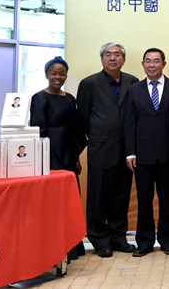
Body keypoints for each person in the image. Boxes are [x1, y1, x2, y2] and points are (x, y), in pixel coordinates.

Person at [77, 42, 139, 258]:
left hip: (126, 151)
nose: (112, 58)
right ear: (102, 59)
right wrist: (98, 136)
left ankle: (118, 238)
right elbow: (83, 118)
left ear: (124, 59)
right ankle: (99, 239)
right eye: (108, 55)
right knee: (98, 197)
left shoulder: (133, 82)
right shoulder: (89, 83)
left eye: (117, 54)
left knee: (121, 197)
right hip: (100, 149)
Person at [30, 55, 88, 261]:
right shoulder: (39, 98)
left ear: (66, 76)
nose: (57, 77)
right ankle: (53, 246)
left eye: (62, 74)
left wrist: (76, 158)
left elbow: (76, 130)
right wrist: (42, 157)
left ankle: (72, 245)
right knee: (52, 200)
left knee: (70, 199)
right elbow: (38, 130)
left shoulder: (70, 98)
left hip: (68, 154)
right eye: (53, 73)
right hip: (48, 154)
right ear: (46, 75)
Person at [124, 48, 169, 257]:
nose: (152, 65)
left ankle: (167, 241)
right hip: (142, 155)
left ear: (164, 64)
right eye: (148, 61)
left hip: (167, 153)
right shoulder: (134, 90)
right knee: (144, 200)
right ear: (143, 64)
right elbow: (129, 123)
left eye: (156, 61)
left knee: (166, 199)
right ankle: (144, 242)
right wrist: (130, 153)